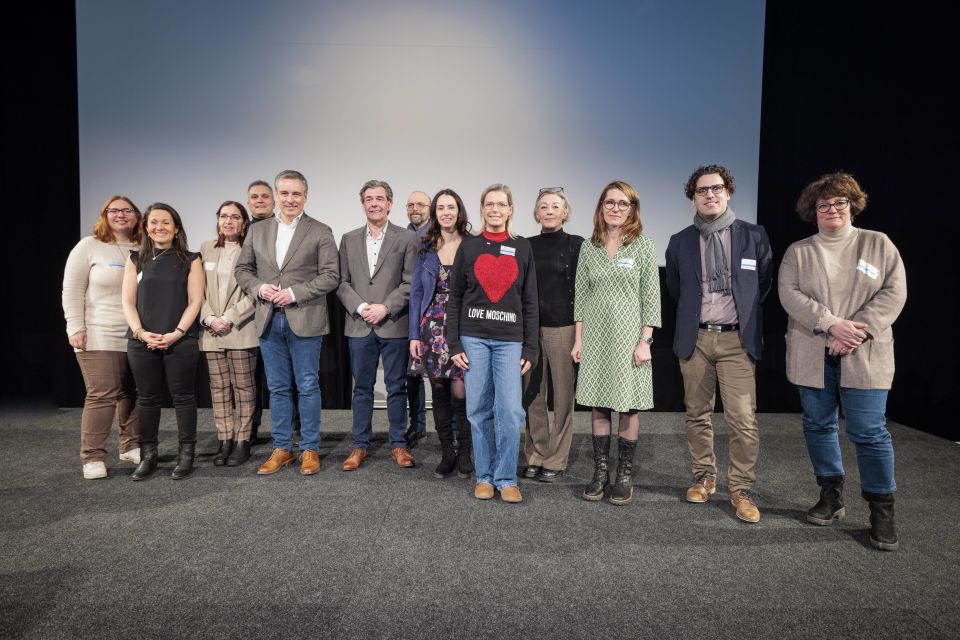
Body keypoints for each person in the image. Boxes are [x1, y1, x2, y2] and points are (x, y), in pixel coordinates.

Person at [778, 172, 906, 551]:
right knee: (818, 425)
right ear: (812, 211)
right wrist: (831, 325)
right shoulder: (798, 251)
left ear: (852, 206)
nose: (832, 210)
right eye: (823, 205)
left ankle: (882, 510)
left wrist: (856, 332)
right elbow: (790, 295)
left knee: (869, 431)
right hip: (811, 350)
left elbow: (893, 292)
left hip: (864, 351)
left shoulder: (877, 244)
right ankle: (830, 496)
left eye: (839, 203)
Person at [665, 165, 772, 523]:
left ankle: (741, 489)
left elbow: (762, 284)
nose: (709, 195)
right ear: (692, 197)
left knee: (743, 419)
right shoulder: (679, 241)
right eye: (701, 191)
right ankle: (704, 476)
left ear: (728, 191)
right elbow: (677, 291)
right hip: (695, 338)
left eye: (716, 188)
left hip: (736, 340)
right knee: (697, 413)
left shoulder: (753, 236)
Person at [235, 169, 340, 476]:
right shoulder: (259, 230)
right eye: (284, 193)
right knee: (278, 388)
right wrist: (257, 287)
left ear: (305, 196)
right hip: (268, 319)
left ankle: (309, 449)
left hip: (305, 319)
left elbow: (331, 276)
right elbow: (243, 269)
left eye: (296, 193)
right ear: (277, 195)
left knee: (307, 386)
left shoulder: (320, 230)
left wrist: (295, 293)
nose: (290, 199)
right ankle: (282, 449)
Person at [572, 181, 660, 506]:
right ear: (601, 207)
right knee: (598, 404)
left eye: (623, 204)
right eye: (610, 202)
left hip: (629, 342)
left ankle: (624, 475)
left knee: (627, 406)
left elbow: (651, 298)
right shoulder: (588, 247)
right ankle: (600, 472)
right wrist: (579, 340)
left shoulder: (643, 246)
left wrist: (645, 341)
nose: (616, 208)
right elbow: (581, 297)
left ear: (633, 209)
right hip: (596, 340)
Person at [449, 184, 538, 503]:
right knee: (478, 410)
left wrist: (530, 348)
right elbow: (455, 297)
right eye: (489, 204)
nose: (495, 209)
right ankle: (485, 477)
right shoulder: (469, 247)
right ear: (482, 209)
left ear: (511, 209)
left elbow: (530, 301)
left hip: (509, 341)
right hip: (473, 339)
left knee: (512, 411)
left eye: (502, 204)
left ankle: (506, 478)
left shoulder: (523, 247)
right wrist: (454, 344)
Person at [337, 180, 418, 470]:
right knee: (362, 388)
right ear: (363, 204)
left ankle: (399, 444)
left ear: (389, 204)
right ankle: (360, 446)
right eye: (369, 199)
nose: (374, 203)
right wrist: (361, 307)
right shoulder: (348, 239)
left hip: (393, 323)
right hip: (359, 325)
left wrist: (385, 307)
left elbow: (411, 282)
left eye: (380, 198)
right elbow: (341, 282)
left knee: (396, 387)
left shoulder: (407, 239)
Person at [62, 195, 142, 479]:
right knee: (102, 394)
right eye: (114, 211)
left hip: (136, 333)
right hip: (98, 331)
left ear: (136, 215)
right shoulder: (89, 246)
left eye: (127, 210)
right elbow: (72, 289)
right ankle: (93, 456)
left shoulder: (142, 247)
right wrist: (76, 327)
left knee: (132, 392)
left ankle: (131, 445)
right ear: (105, 215)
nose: (121, 215)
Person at [122, 203, 204, 480]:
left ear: (177, 227)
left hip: (180, 340)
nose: (160, 227)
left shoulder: (191, 259)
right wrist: (140, 333)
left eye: (166, 222)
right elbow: (127, 302)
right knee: (147, 399)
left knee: (183, 397)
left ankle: (186, 455)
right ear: (145, 227)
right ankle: (149, 455)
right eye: (154, 222)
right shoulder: (135, 259)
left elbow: (195, 301)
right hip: (142, 341)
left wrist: (177, 333)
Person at [409, 189, 473, 479]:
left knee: (462, 392)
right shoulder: (425, 247)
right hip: (431, 328)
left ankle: (465, 453)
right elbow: (416, 294)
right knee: (439, 392)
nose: (446, 212)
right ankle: (447, 452)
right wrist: (413, 335)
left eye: (451, 207)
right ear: (434, 213)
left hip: (463, 327)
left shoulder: (473, 245)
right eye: (441, 208)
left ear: (459, 211)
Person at [521, 187, 584, 482]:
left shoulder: (577, 245)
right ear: (536, 213)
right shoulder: (525, 245)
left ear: (565, 212)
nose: (548, 210)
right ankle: (535, 454)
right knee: (532, 395)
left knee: (562, 397)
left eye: (555, 206)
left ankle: (556, 460)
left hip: (564, 329)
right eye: (543, 206)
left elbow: (584, 292)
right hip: (530, 329)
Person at [199, 201, 258, 466]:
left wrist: (229, 318)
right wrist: (210, 317)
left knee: (243, 388)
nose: (229, 221)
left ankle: (243, 440)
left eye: (235, 217)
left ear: (244, 223)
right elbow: (196, 291)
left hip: (241, 329)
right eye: (224, 216)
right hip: (211, 331)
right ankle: (225, 439)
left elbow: (256, 292)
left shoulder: (253, 250)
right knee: (219, 388)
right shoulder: (206, 249)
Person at [404, 190, 431, 446]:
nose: (415, 209)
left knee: (447, 378)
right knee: (413, 374)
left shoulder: (437, 235)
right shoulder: (403, 234)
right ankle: (418, 424)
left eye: (421, 204)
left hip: (434, 313)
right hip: (408, 313)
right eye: (411, 205)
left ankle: (455, 430)